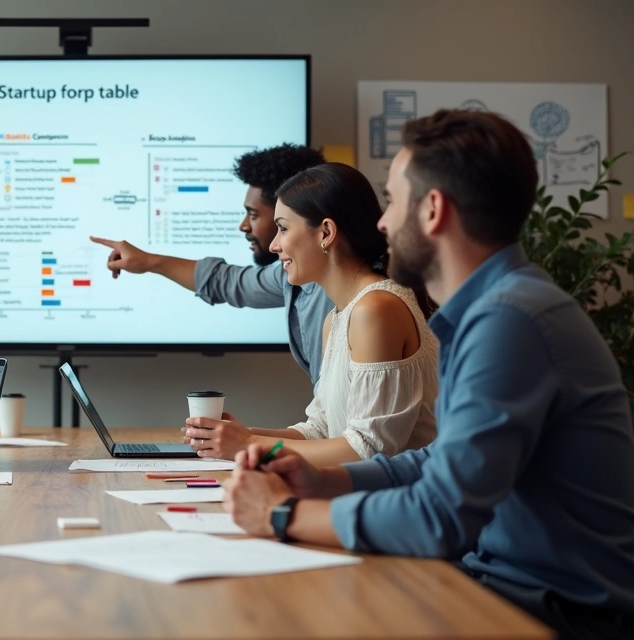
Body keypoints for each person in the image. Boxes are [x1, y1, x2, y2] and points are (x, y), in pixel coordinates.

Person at [223, 110, 634, 639]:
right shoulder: (494, 309)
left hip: (549, 610)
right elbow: (442, 462)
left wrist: (283, 517)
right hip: (500, 584)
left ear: (434, 210)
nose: (381, 223)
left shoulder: (512, 320)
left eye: (393, 201)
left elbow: (441, 516)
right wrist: (326, 479)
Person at [184, 163, 438, 466]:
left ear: (326, 233)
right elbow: (319, 430)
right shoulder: (338, 316)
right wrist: (239, 437)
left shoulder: (377, 309)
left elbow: (370, 450)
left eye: (283, 227)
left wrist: (250, 444)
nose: (275, 245)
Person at [91, 144, 334, 384]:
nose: (244, 226)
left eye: (254, 214)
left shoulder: (355, 299)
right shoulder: (295, 276)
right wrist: (148, 261)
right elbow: (227, 282)